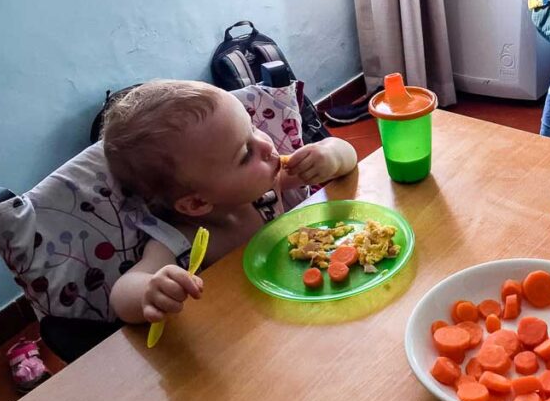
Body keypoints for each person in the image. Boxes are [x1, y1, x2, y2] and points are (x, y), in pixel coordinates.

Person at [102, 80, 358, 324]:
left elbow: (347, 156)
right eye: (245, 153)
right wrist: (150, 290)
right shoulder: (181, 239)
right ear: (196, 203)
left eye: (253, 128)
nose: (266, 144)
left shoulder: (268, 183)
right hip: (247, 329)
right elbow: (122, 293)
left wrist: (331, 155)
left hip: (307, 297)